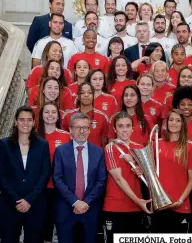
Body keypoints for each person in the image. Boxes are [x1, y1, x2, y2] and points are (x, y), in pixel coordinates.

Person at [0, 106, 51, 243]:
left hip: (35, 204)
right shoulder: (5, 144)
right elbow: (0, 175)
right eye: (22, 120)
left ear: (33, 122)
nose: (25, 123)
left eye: (29, 120)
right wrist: (16, 200)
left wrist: (29, 199)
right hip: (10, 204)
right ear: (15, 121)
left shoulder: (42, 145)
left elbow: (45, 174)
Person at [53, 112, 107, 243]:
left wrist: (86, 202)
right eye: (77, 127)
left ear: (89, 130)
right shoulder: (60, 151)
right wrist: (75, 202)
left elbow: (101, 181)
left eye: (85, 127)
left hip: (90, 208)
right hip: (66, 208)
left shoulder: (99, 152)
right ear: (70, 130)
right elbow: (57, 179)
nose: (81, 131)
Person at [103, 111, 151, 243]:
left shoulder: (139, 148)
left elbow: (148, 178)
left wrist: (140, 170)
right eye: (120, 126)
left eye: (128, 126)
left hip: (136, 207)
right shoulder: (110, 148)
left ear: (133, 127)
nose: (125, 130)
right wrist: (138, 200)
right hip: (116, 206)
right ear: (114, 128)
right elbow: (118, 179)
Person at [151, 109, 192, 233]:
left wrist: (180, 201)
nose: (174, 123)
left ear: (183, 124)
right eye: (171, 120)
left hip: (180, 205)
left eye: (178, 120)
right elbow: (150, 174)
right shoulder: (155, 144)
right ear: (166, 122)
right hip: (159, 205)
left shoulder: (190, 146)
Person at [37, 102, 71, 243]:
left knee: (62, 223)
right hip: (40, 188)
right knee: (43, 226)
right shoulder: (34, 136)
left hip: (60, 188)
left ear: (58, 116)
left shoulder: (66, 136)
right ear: (41, 115)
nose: (50, 115)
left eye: (53, 112)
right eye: (46, 112)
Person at [61, 82, 109, 148]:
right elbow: (64, 140)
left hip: (94, 157)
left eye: (89, 93)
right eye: (82, 93)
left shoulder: (102, 117)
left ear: (94, 95)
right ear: (78, 96)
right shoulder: (68, 116)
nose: (86, 95)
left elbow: (104, 143)